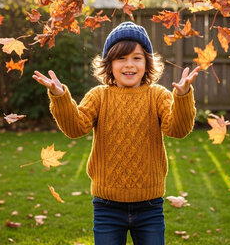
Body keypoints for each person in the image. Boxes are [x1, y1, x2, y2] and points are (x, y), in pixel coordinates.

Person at [33, 21, 199, 245]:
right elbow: (75, 128)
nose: (129, 64)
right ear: (109, 64)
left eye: (136, 58)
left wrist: (183, 96)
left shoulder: (158, 95)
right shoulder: (99, 96)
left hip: (149, 205)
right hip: (106, 206)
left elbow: (178, 130)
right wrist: (60, 96)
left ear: (147, 63)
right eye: (121, 58)